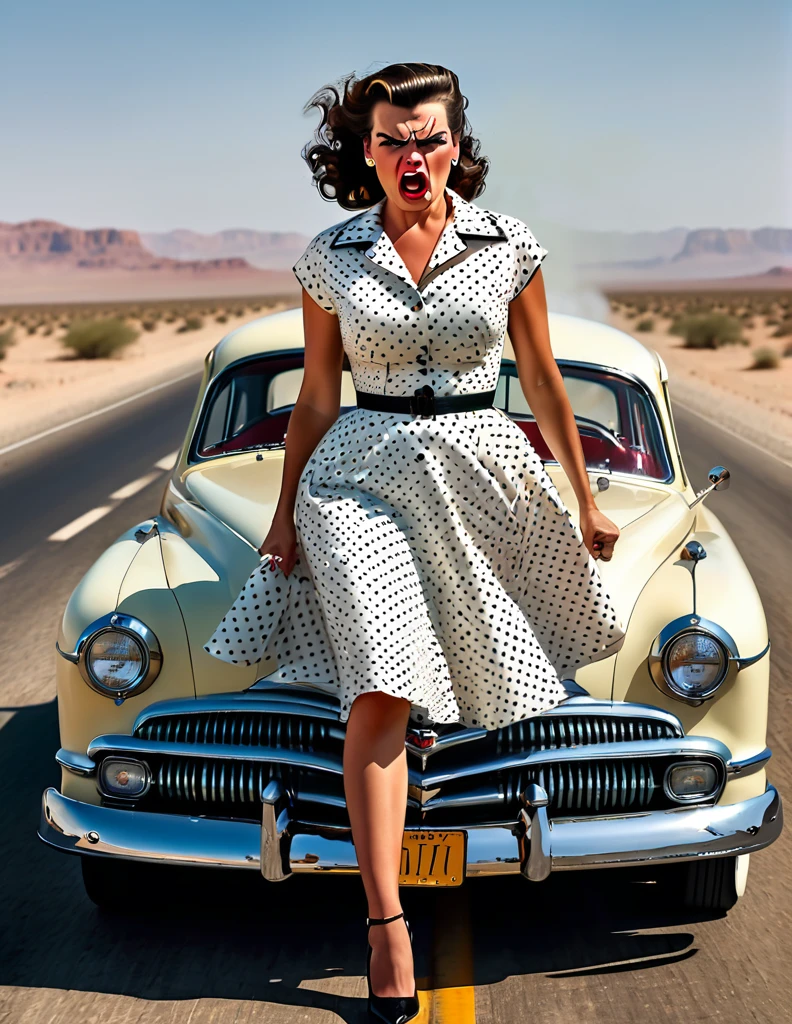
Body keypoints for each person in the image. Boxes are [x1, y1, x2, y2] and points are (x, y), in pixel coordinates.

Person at [204, 62, 626, 1024]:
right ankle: (386, 922)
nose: (411, 156)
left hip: (479, 468)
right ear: (366, 151)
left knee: (479, 681)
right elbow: (315, 397)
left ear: (456, 144)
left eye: (428, 137)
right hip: (356, 473)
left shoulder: (508, 243)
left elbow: (544, 377)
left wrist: (587, 498)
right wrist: (283, 516)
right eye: (391, 139)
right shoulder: (331, 255)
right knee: (384, 684)